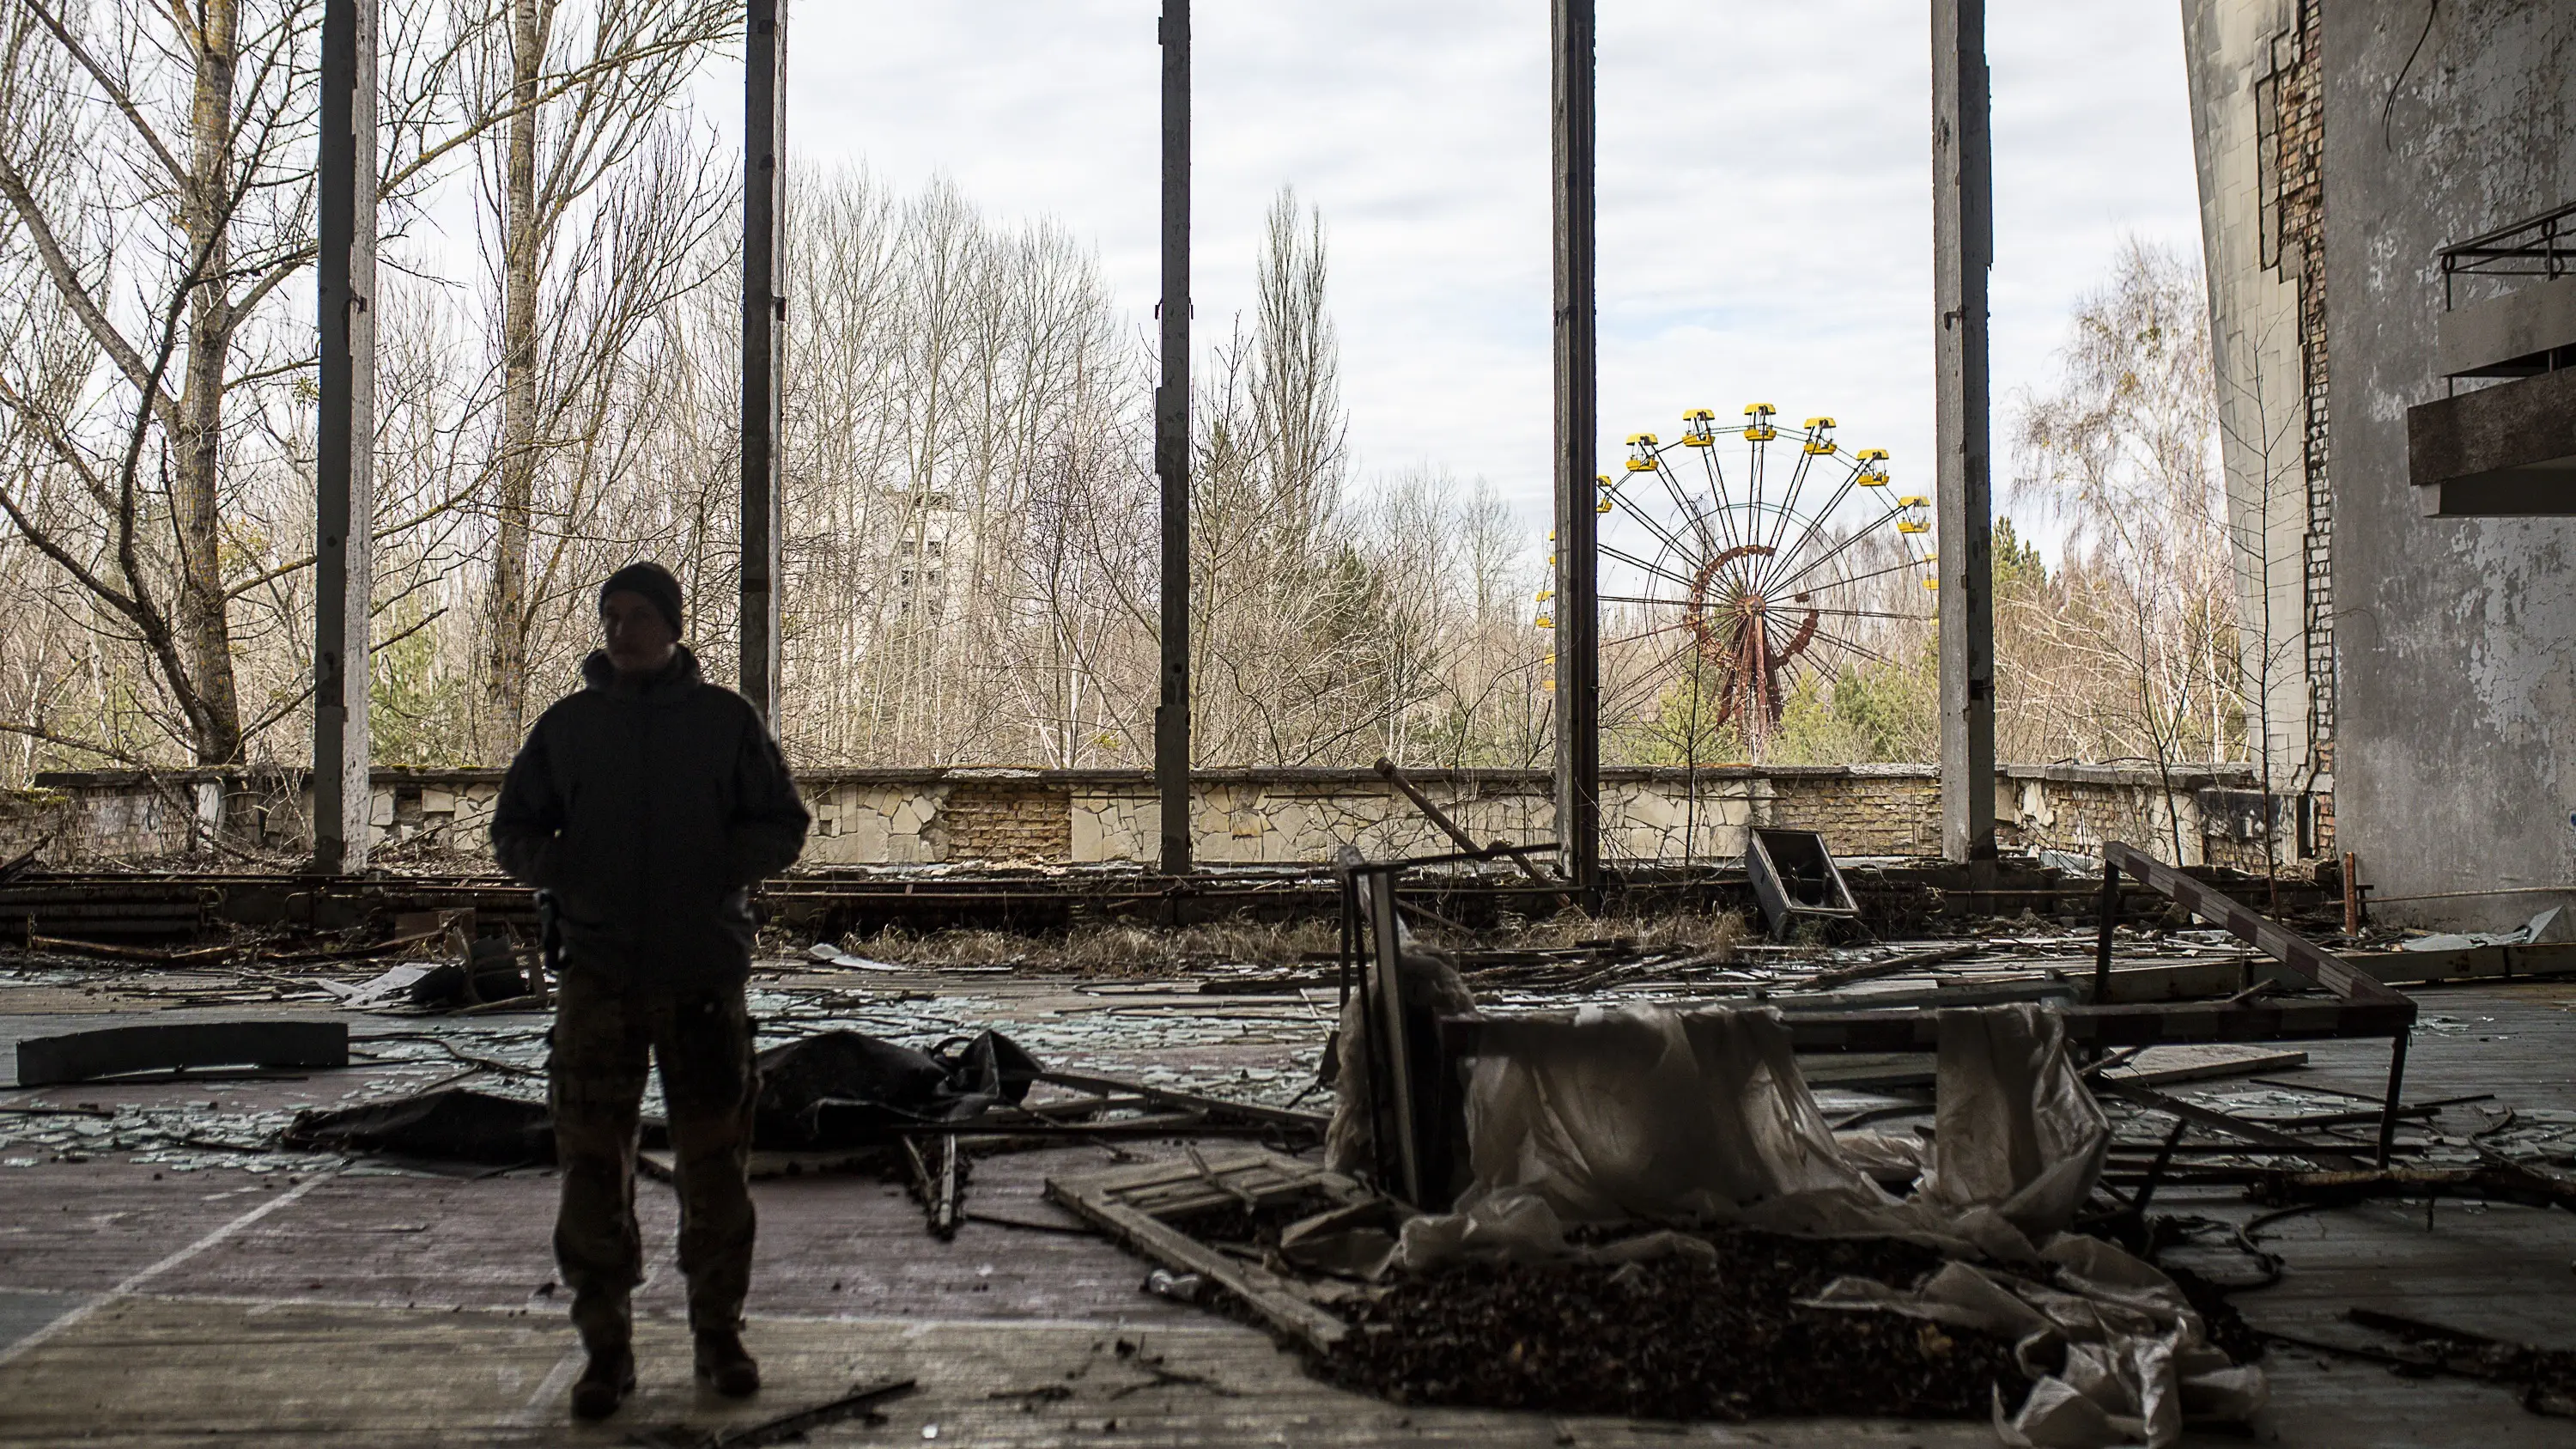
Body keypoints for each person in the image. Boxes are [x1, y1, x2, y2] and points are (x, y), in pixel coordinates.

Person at [492, 562, 811, 1420]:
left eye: (636, 616)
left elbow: (784, 823)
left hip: (701, 975)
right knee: (592, 1166)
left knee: (715, 1167)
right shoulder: (569, 728)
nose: (620, 630)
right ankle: (608, 1350)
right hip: (598, 978)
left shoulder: (722, 724)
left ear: (672, 626)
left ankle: (719, 1336)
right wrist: (566, 872)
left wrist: (716, 864)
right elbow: (512, 828)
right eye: (611, 616)